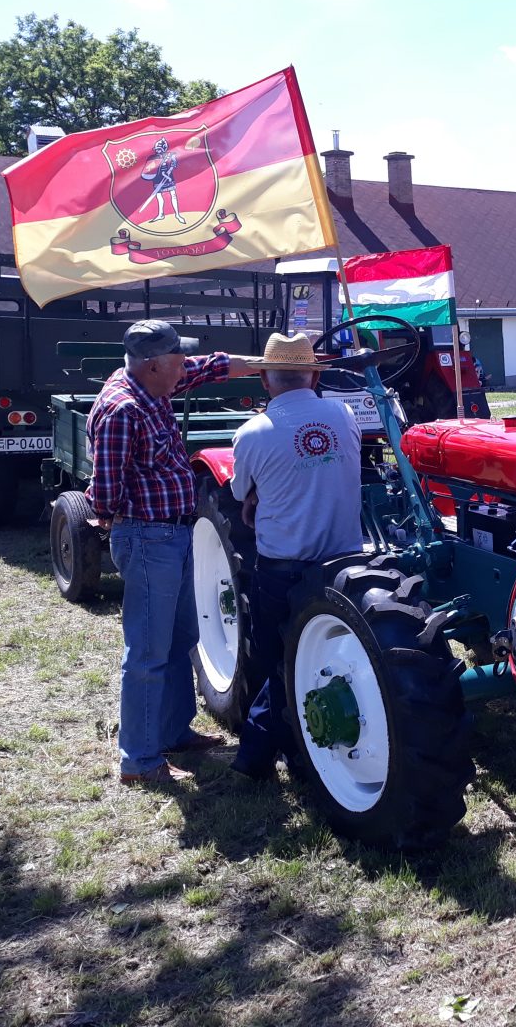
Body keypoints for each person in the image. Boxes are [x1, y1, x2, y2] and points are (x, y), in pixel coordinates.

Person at [87, 320, 256, 785]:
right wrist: (113, 519)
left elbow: (213, 366)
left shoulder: (156, 383)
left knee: (181, 639)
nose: (186, 369)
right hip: (148, 539)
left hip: (172, 535)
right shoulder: (122, 410)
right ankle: (139, 761)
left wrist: (270, 363)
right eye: (178, 362)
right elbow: (103, 493)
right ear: (153, 364)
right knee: (147, 652)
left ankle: (174, 732)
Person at [228, 333, 364, 780]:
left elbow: (238, 491)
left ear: (266, 379)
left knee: (276, 658)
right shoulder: (344, 416)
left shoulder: (251, 433)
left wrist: (255, 496)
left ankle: (256, 755)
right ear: (314, 375)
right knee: (331, 657)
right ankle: (298, 749)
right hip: (344, 563)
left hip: (283, 566)